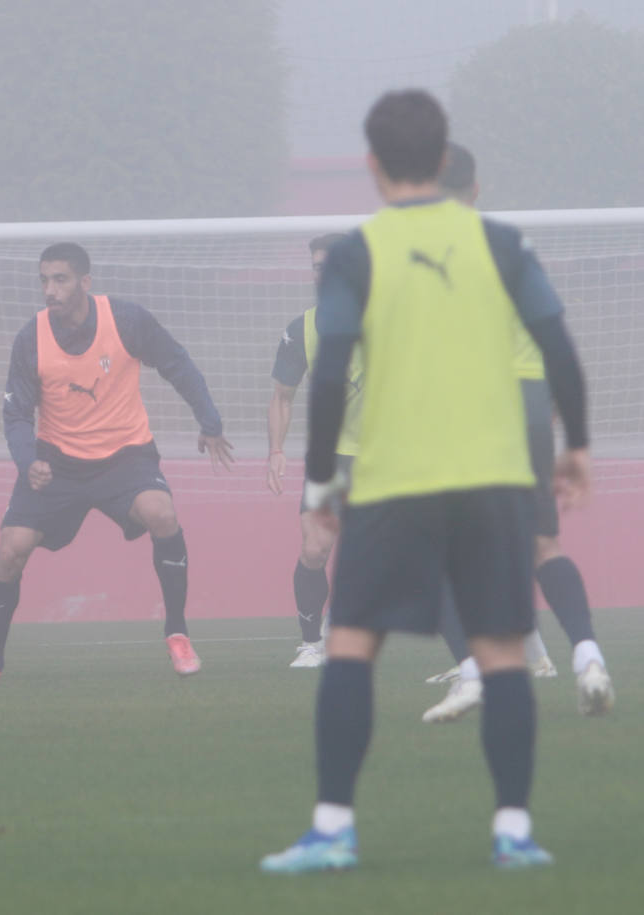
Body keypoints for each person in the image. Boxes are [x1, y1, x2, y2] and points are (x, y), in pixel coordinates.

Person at [260, 90, 590, 873]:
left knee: (350, 644)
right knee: (502, 651)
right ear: (445, 161)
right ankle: (514, 831)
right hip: (492, 478)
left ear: (373, 165)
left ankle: (333, 829)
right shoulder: (502, 244)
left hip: (392, 480)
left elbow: (330, 374)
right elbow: (558, 347)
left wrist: (319, 486)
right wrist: (576, 444)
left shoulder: (357, 254)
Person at [0, 242, 233, 688]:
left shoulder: (126, 320)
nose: (50, 289)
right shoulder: (31, 338)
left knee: (162, 514)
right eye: (44, 280)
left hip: (126, 456)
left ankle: (177, 634)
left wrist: (210, 421)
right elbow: (16, 414)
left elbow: (176, 364)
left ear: (85, 281)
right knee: (9, 551)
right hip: (56, 463)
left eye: (60, 279)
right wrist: (28, 462)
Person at [421, 141, 613, 722]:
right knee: (544, 545)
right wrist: (572, 433)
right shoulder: (512, 246)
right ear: (476, 189)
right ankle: (589, 659)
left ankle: (473, 675)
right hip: (528, 403)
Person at [267, 233, 353, 668]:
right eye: (317, 267)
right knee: (316, 549)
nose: (322, 274)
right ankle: (310, 643)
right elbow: (282, 396)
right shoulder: (301, 329)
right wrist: (276, 450)